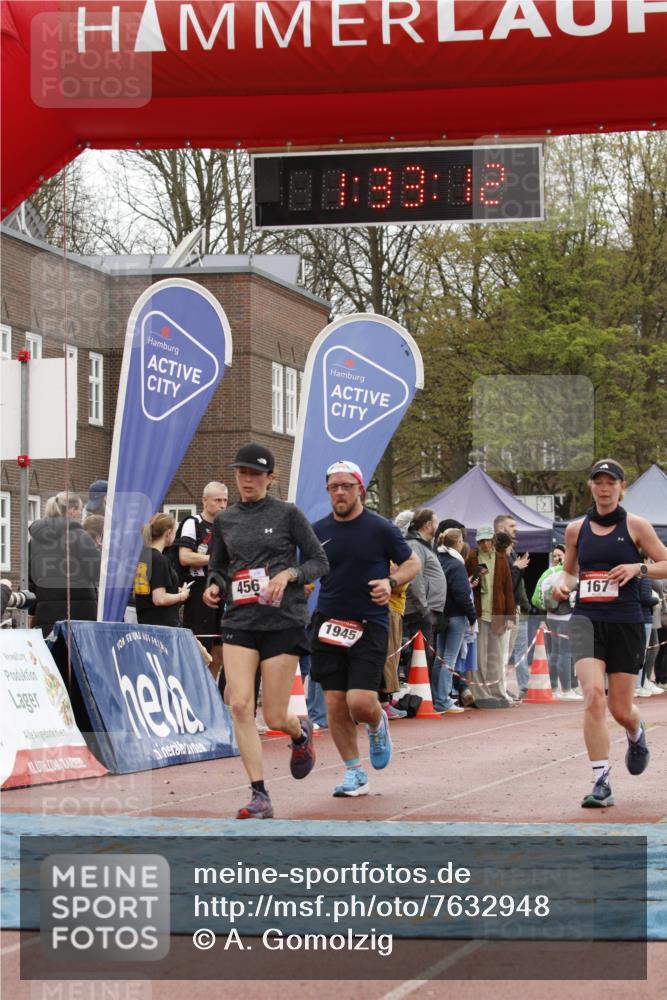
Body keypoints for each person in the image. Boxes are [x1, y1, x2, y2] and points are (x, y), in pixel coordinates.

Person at [203, 443, 329, 820]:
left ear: (270, 478)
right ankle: (259, 794)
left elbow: (320, 561)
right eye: (241, 473)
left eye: (255, 474)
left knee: (274, 716)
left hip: (281, 622)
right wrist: (214, 585)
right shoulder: (226, 520)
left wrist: (289, 573)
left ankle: (298, 732)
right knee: (239, 703)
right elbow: (218, 566)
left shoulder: (288, 514)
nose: (247, 480)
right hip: (239, 621)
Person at [552, 459, 667, 808]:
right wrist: (561, 585)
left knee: (620, 708)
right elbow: (571, 574)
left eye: (610, 482)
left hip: (626, 622)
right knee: (592, 698)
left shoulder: (636, 525)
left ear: (622, 487)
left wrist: (639, 567)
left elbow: (665, 562)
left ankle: (635, 731)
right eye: (598, 482)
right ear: (590, 486)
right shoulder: (575, 529)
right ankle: (601, 782)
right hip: (587, 619)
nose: (604, 488)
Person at [310, 461, 420, 797]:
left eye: (347, 486)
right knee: (334, 705)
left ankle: (376, 722)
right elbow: (308, 570)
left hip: (369, 623)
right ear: (328, 491)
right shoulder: (317, 530)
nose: (340, 492)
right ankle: (354, 772)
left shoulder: (380, 528)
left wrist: (391, 581)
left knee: (359, 702)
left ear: (360, 488)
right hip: (327, 623)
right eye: (334, 487)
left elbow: (411, 562)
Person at [28, 492, 100, 637]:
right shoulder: (80, 536)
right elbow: (97, 572)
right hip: (80, 615)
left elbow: (30, 581)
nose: (81, 513)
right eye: (80, 509)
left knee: (51, 658)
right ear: (72, 510)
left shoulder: (34, 541)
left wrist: (32, 612)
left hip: (46, 614)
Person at [177, 482, 229, 681]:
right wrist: (216, 560)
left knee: (220, 651)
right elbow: (185, 557)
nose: (222, 505)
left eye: (225, 500)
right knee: (200, 650)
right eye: (217, 500)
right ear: (204, 501)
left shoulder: (227, 527)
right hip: (199, 591)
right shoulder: (193, 523)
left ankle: (212, 693)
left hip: (222, 592)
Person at [465, 524, 515, 706]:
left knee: (496, 655)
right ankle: (480, 693)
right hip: (478, 613)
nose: (486, 544)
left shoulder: (501, 559)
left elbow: (508, 589)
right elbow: (466, 584)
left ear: (493, 540)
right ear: (477, 541)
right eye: (482, 540)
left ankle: (497, 692)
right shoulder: (471, 557)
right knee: (478, 657)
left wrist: (510, 617)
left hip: (497, 613)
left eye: (488, 540)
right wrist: (472, 582)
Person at [435, 527, 477, 713]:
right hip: (455, 615)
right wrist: (472, 616)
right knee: (449, 659)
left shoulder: (438, 560)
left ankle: (438, 698)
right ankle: (443, 700)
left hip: (440, 615)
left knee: (440, 658)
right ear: (459, 543)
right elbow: (461, 594)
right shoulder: (456, 564)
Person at [134, 513, 190, 627]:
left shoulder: (144, 556)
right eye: (175, 532)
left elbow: (150, 590)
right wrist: (182, 595)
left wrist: (174, 589)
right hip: (162, 625)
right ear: (168, 533)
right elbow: (159, 599)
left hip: (146, 621)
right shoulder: (160, 559)